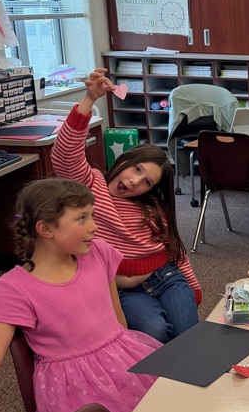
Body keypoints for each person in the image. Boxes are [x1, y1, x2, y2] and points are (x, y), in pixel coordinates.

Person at [0, 179, 161, 412]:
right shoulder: (13, 288)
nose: (94, 226)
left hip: (124, 355)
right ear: (46, 228)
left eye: (92, 215)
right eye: (82, 218)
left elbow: (119, 321)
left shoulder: (98, 253)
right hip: (74, 387)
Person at [52, 68, 201, 342]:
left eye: (146, 182)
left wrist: (193, 288)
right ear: (124, 161)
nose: (135, 182)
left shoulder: (152, 206)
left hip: (165, 275)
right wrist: (89, 100)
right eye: (136, 169)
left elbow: (173, 248)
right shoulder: (91, 184)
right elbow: (65, 155)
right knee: (154, 334)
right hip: (122, 289)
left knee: (187, 333)